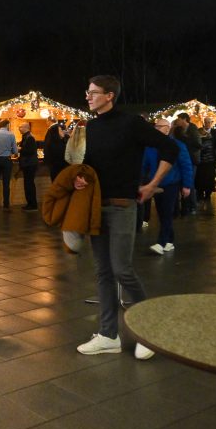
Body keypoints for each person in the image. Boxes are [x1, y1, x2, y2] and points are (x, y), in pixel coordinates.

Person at [72, 75, 176, 358]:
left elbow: (170, 149)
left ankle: (148, 331)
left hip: (122, 206)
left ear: (109, 95)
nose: (88, 97)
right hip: (96, 207)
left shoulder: (131, 123)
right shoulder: (92, 127)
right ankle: (108, 335)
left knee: (121, 269)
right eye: (87, 92)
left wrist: (153, 183)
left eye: (93, 92)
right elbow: (91, 165)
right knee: (103, 272)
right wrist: (81, 179)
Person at [144, 119, 194, 254]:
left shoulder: (177, 145)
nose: (156, 129)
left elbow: (186, 165)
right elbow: (145, 165)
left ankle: (161, 242)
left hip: (171, 183)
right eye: (156, 126)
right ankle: (169, 241)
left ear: (167, 129)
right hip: (156, 184)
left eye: (159, 126)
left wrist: (187, 185)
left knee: (167, 212)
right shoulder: (150, 146)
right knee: (162, 213)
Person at [0, 119, 17, 209]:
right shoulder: (11, 134)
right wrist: (9, 150)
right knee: (6, 183)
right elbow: (15, 151)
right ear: (7, 125)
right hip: (6, 160)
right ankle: (6, 205)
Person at [18, 122, 41, 209]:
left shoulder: (30, 138)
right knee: (28, 184)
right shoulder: (26, 137)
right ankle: (30, 203)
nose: (19, 129)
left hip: (29, 164)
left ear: (26, 128)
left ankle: (32, 204)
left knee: (29, 184)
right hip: (28, 164)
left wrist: (20, 149)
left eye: (20, 127)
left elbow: (30, 151)